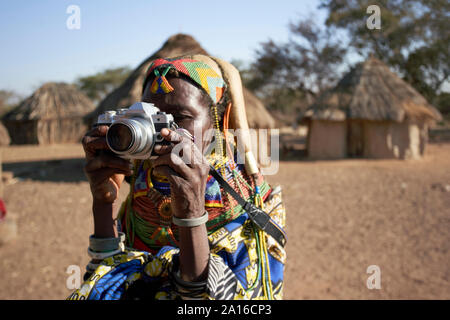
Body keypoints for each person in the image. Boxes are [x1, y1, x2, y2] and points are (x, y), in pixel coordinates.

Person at [68, 55, 286, 300]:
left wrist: (192, 212)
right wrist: (103, 203)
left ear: (218, 122)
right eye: (152, 117)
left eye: (179, 118)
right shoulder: (141, 182)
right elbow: (107, 273)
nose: (162, 131)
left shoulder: (244, 197)